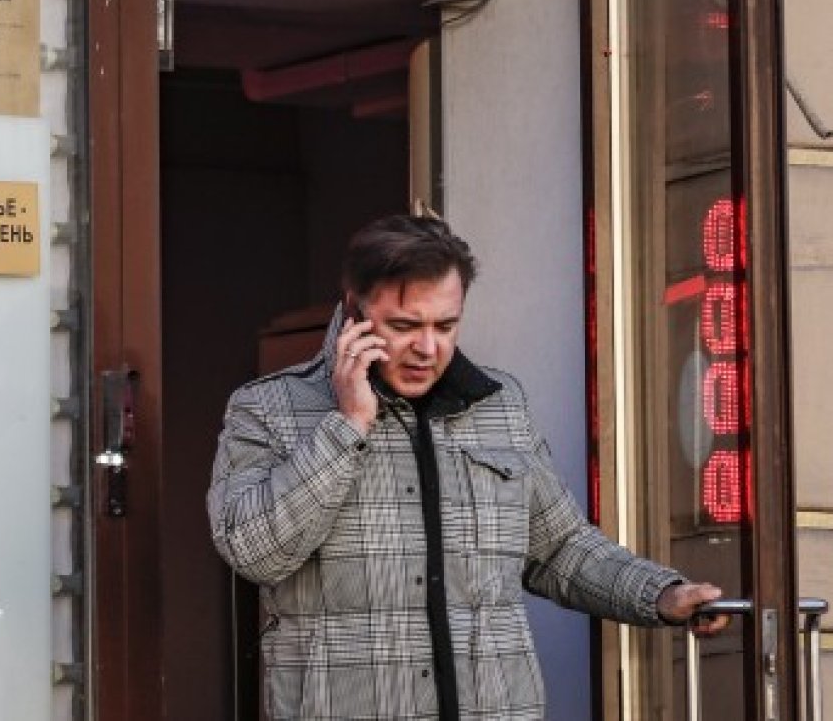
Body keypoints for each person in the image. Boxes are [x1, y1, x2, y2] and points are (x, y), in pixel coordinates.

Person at [206, 214, 727, 720]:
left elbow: (559, 547)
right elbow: (255, 553)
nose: (427, 348)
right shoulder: (267, 409)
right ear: (353, 312)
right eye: (404, 326)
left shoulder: (501, 406)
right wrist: (348, 425)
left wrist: (659, 594)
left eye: (446, 325)